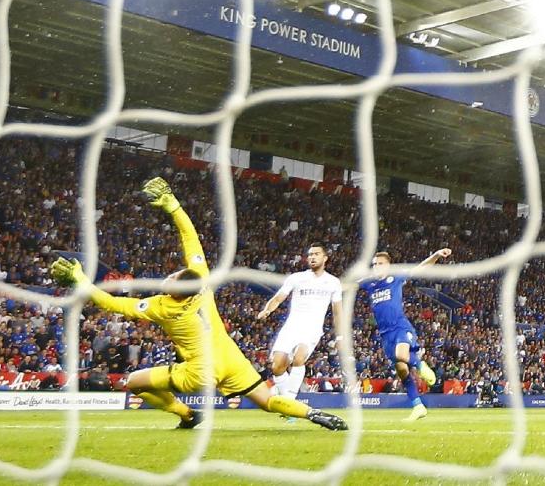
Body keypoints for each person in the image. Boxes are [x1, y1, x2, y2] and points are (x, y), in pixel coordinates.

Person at [51, 177, 346, 431]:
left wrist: (80, 279)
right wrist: (174, 206)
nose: (172, 272)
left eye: (173, 275)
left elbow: (111, 302)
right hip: (231, 359)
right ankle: (314, 414)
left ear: (175, 287)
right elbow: (191, 241)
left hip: (200, 370)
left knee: (134, 382)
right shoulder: (201, 285)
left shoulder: (161, 306)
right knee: (268, 401)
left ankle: (187, 414)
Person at [358, 249, 447, 422]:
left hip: (400, 327)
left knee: (401, 356)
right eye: (374, 264)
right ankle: (418, 406)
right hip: (385, 335)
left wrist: (436, 255)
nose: (376, 267)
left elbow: (421, 268)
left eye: (380, 264)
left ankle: (420, 365)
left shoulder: (396, 278)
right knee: (401, 368)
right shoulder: (369, 283)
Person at [256, 243, 343, 407]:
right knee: (277, 367)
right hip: (291, 327)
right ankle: (285, 397)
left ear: (325, 258)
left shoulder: (333, 282)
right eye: (310, 254)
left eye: (316, 254)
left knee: (299, 358)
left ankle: (289, 403)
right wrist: (267, 311)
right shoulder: (296, 278)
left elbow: (338, 312)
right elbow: (278, 298)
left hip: (312, 329)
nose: (312, 257)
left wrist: (339, 336)